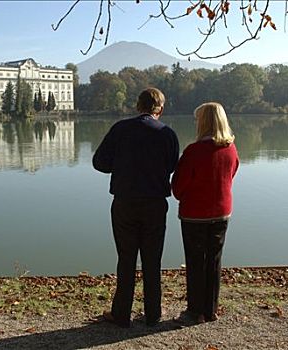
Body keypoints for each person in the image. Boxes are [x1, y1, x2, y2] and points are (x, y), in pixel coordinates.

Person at [92, 87, 180, 328]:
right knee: (153, 260)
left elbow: (98, 162)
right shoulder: (168, 133)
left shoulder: (120, 129)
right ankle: (153, 315)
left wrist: (121, 167)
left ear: (138, 106)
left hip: (125, 203)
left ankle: (121, 315)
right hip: (154, 204)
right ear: (160, 109)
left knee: (126, 258)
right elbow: (173, 166)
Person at [171, 102, 239, 326]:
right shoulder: (230, 149)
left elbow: (178, 187)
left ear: (203, 122)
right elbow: (231, 174)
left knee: (195, 261)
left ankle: (195, 311)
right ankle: (211, 310)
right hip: (221, 212)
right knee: (214, 261)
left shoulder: (193, 151)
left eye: (196, 119)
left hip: (194, 214)